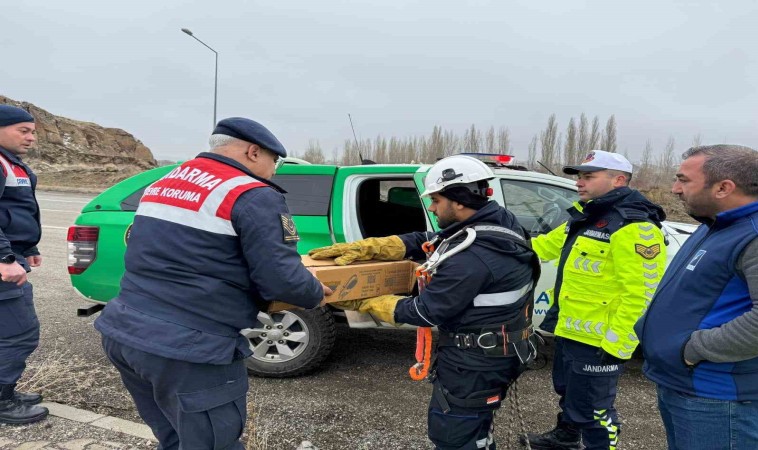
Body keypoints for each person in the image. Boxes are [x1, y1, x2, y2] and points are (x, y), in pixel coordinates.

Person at [94, 117, 331, 448]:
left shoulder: (166, 181)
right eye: (273, 161)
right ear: (252, 152)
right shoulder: (250, 194)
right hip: (189, 350)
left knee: (174, 437)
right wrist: (315, 293)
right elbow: (282, 280)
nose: (274, 170)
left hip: (125, 332)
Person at [309, 155, 540, 450]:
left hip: (475, 364)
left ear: (458, 200)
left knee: (454, 435)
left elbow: (424, 311)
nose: (431, 207)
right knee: (475, 427)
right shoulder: (497, 223)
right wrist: (376, 246)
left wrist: (364, 301)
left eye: (436, 200)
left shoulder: (473, 258)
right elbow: (435, 239)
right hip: (497, 351)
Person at [522, 150, 667, 450]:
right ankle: (565, 439)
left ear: (618, 180)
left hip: (600, 341)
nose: (579, 183)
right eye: (579, 176)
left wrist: (618, 345)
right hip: (571, 330)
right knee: (570, 394)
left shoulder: (635, 226)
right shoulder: (587, 218)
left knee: (595, 411)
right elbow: (541, 248)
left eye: (589, 176)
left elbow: (643, 293)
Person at [635, 145, 758, 450]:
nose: (675, 189)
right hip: (685, 383)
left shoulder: (753, 233)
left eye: (683, 180)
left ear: (723, 187)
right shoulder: (717, 225)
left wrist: (693, 349)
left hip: (718, 397)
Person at [0, 105, 49, 425]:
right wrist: (4, 258)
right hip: (3, 262)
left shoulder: (11, 163)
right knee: (20, 332)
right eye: (23, 130)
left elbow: (15, 210)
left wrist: (27, 246)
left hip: (12, 254)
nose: (31, 137)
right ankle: (3, 401)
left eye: (33, 131)